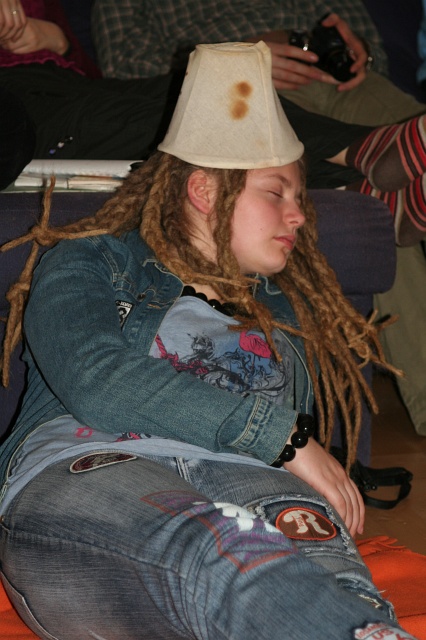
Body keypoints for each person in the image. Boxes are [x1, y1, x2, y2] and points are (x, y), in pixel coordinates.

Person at [0, 41, 418, 639]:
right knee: (224, 549)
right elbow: (94, 379)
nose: (300, 215)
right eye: (276, 192)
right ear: (205, 191)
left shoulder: (284, 309)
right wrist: (286, 440)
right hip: (94, 462)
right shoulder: (94, 259)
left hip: (244, 474)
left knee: (339, 584)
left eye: (300, 197)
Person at [92, 0, 426, 126]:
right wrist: (232, 59)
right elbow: (126, 74)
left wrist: (360, 54)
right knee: (370, 194)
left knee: (414, 147)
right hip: (237, 94)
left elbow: (375, 54)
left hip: (339, 81)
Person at [0, 0, 176, 160]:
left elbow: (90, 72)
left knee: (187, 90)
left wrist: (61, 43)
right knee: (171, 122)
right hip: (19, 96)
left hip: (68, 81)